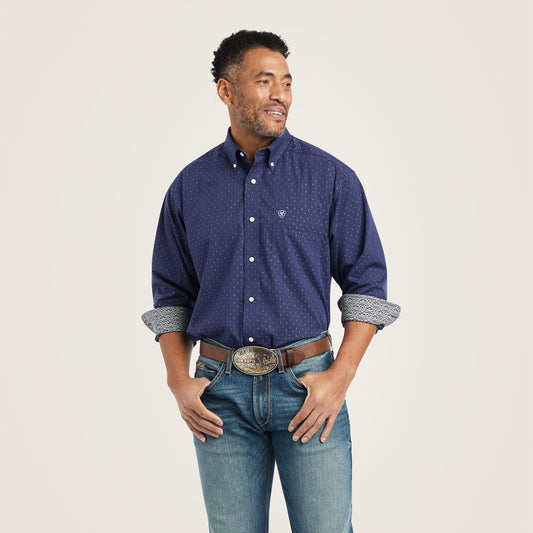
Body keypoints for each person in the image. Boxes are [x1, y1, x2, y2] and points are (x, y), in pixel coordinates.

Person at [141, 29, 400, 533]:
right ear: (226, 90)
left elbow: (367, 285)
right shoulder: (190, 187)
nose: (280, 94)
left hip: (308, 391)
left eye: (286, 82)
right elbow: (171, 294)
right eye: (264, 81)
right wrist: (177, 381)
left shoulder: (330, 178)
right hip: (220, 396)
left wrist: (340, 378)